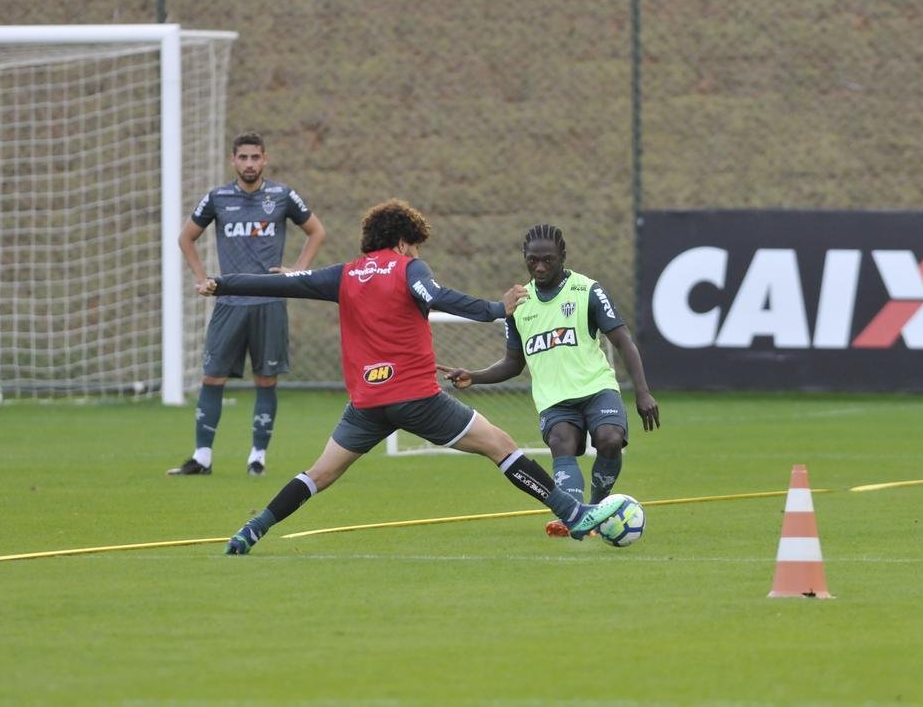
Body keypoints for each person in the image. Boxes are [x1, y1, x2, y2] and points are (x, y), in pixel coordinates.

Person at [196, 200, 625, 554]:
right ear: (402, 242)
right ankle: (572, 513)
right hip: (418, 400)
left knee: (318, 475)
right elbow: (435, 297)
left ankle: (253, 529)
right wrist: (496, 309)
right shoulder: (407, 269)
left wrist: (220, 283)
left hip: (366, 405)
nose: (418, 255)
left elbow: (285, 284)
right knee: (502, 447)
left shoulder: (344, 274)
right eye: (415, 246)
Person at [439, 224, 659, 538]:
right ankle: (575, 515)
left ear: (562, 257)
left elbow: (623, 341)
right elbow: (513, 364)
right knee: (561, 442)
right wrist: (475, 377)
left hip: (597, 388)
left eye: (548, 260)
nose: (540, 267)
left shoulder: (587, 290)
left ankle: (594, 511)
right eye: (532, 260)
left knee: (610, 440)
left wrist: (643, 393)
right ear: (525, 259)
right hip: (554, 400)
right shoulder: (519, 306)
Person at [168, 132, 326, 477]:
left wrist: (298, 272)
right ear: (233, 160)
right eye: (243, 158)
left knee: (266, 380)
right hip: (230, 302)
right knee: (212, 377)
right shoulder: (218, 198)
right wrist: (201, 277)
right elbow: (186, 237)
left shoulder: (282, 196)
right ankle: (202, 458)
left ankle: (258, 457)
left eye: (256, 157)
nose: (250, 164)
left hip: (270, 302)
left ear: (265, 159)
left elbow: (316, 231)